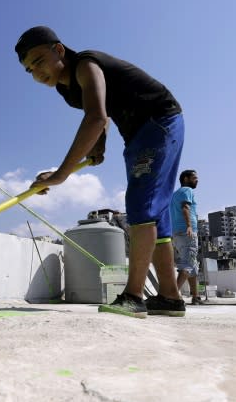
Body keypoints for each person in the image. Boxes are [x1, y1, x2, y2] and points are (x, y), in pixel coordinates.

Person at [15, 25, 186, 318]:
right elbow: (101, 115)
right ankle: (170, 296)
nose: (36, 72)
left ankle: (133, 296)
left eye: (39, 60)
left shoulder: (85, 65)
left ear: (58, 50)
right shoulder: (65, 89)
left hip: (157, 122)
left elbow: (95, 118)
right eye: (29, 69)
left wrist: (60, 174)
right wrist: (99, 146)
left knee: (141, 206)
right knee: (155, 214)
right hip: (136, 134)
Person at [171, 170, 204, 305]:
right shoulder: (187, 190)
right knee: (187, 264)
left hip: (177, 233)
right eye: (194, 178)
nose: (197, 180)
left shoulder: (174, 194)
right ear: (185, 179)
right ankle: (171, 296)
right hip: (187, 232)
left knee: (192, 265)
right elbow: (185, 208)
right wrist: (189, 226)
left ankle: (195, 296)